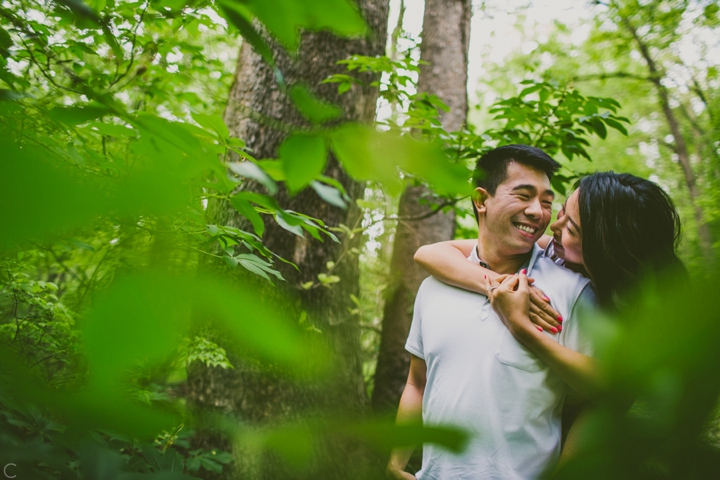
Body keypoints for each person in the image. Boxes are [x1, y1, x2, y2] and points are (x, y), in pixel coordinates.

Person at [387, 145, 596, 480]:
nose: (538, 212)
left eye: (546, 201)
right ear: (481, 200)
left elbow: (599, 401)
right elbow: (417, 381)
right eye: (524, 195)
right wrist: (396, 461)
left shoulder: (571, 291)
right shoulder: (435, 286)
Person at [413, 172, 685, 402]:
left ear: (604, 252)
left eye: (572, 229)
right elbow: (430, 253)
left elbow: (610, 396)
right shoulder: (551, 251)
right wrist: (499, 284)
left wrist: (522, 327)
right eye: (563, 210)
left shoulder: (634, 311)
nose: (553, 225)